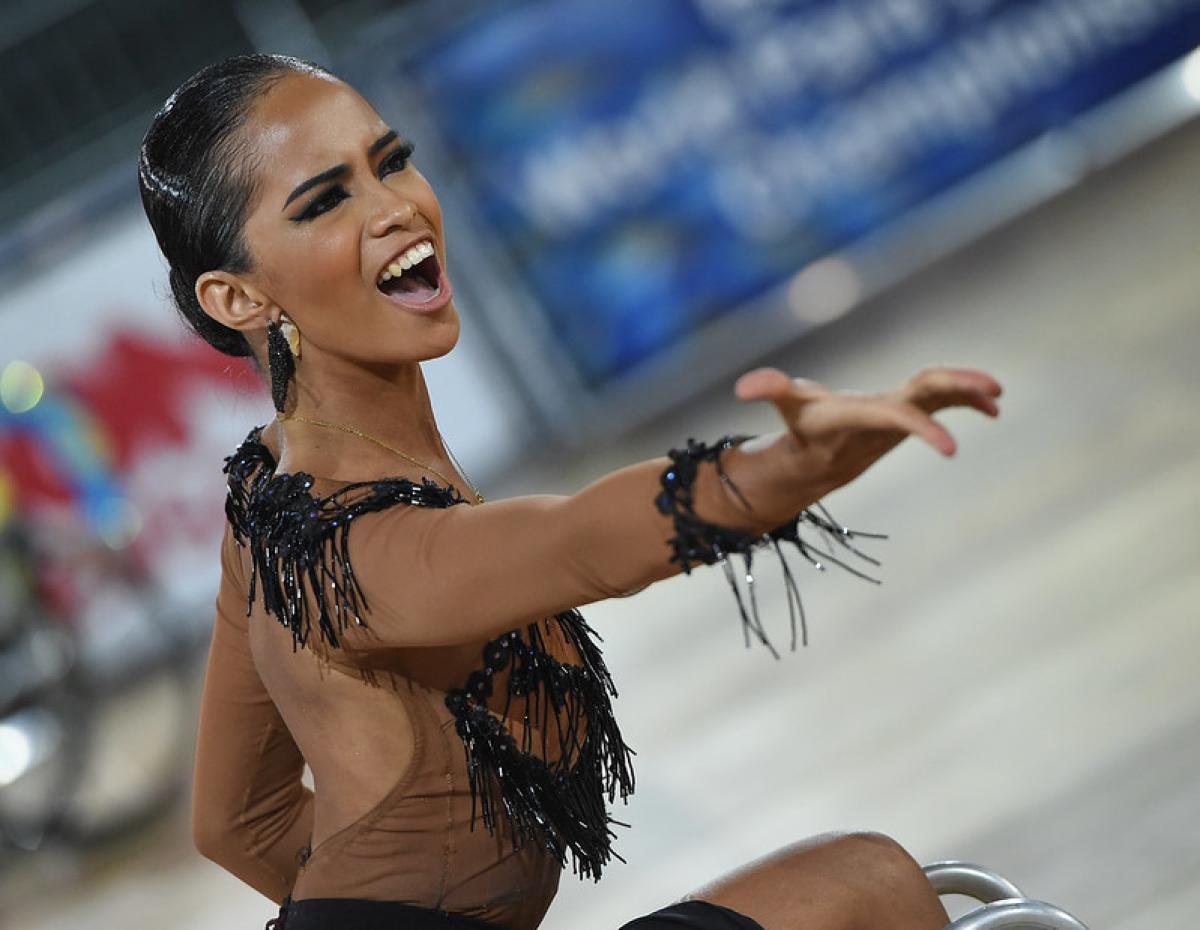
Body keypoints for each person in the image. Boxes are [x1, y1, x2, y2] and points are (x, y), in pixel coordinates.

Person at [138, 55, 1002, 930]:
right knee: (869, 884)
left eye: (391, 161)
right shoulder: (344, 547)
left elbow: (234, 819)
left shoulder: (267, 497)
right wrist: (790, 466)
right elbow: (578, 543)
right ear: (237, 296)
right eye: (327, 202)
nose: (394, 206)